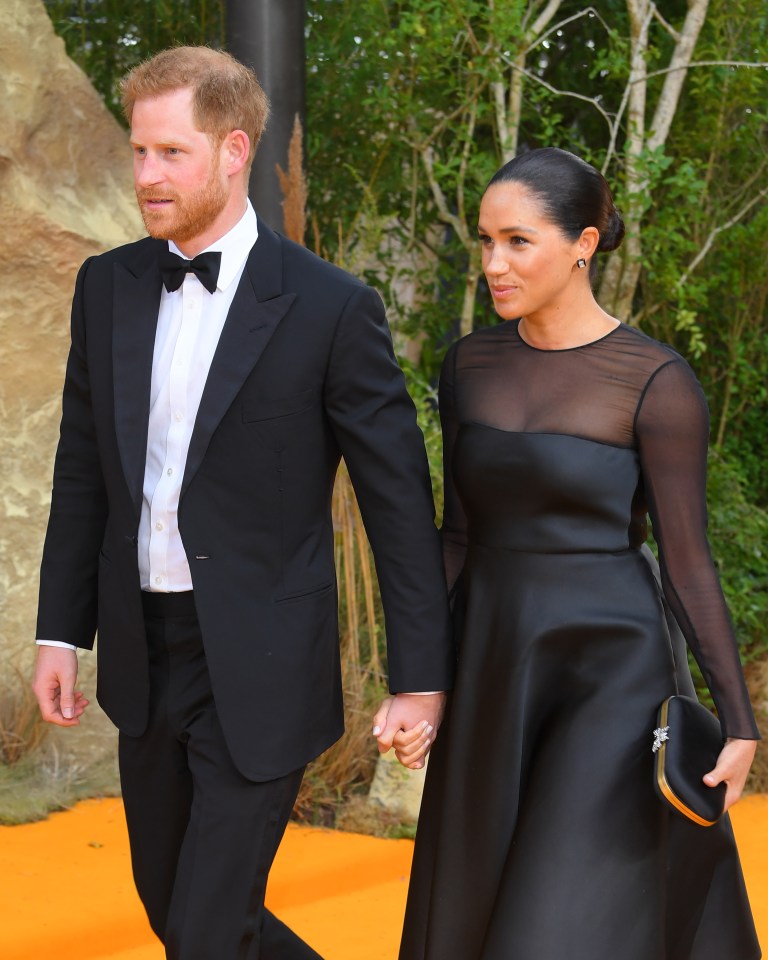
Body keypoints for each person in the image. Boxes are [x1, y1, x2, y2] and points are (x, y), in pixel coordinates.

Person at [32, 45, 452, 960]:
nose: (147, 175)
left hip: (261, 662)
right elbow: (82, 470)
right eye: (139, 153)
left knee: (209, 927)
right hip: (144, 651)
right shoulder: (106, 286)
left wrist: (419, 674)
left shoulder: (332, 307)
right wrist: (59, 633)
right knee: (171, 907)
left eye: (170, 154)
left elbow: (395, 502)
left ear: (233, 151)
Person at [389, 147, 761, 959]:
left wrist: (740, 722)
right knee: (480, 900)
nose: (495, 263)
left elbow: (689, 560)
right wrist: (420, 677)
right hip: (496, 663)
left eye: (518, 241)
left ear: (584, 244)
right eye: (486, 242)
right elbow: (456, 535)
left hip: (612, 675)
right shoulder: (469, 366)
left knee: (561, 919)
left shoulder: (654, 381)